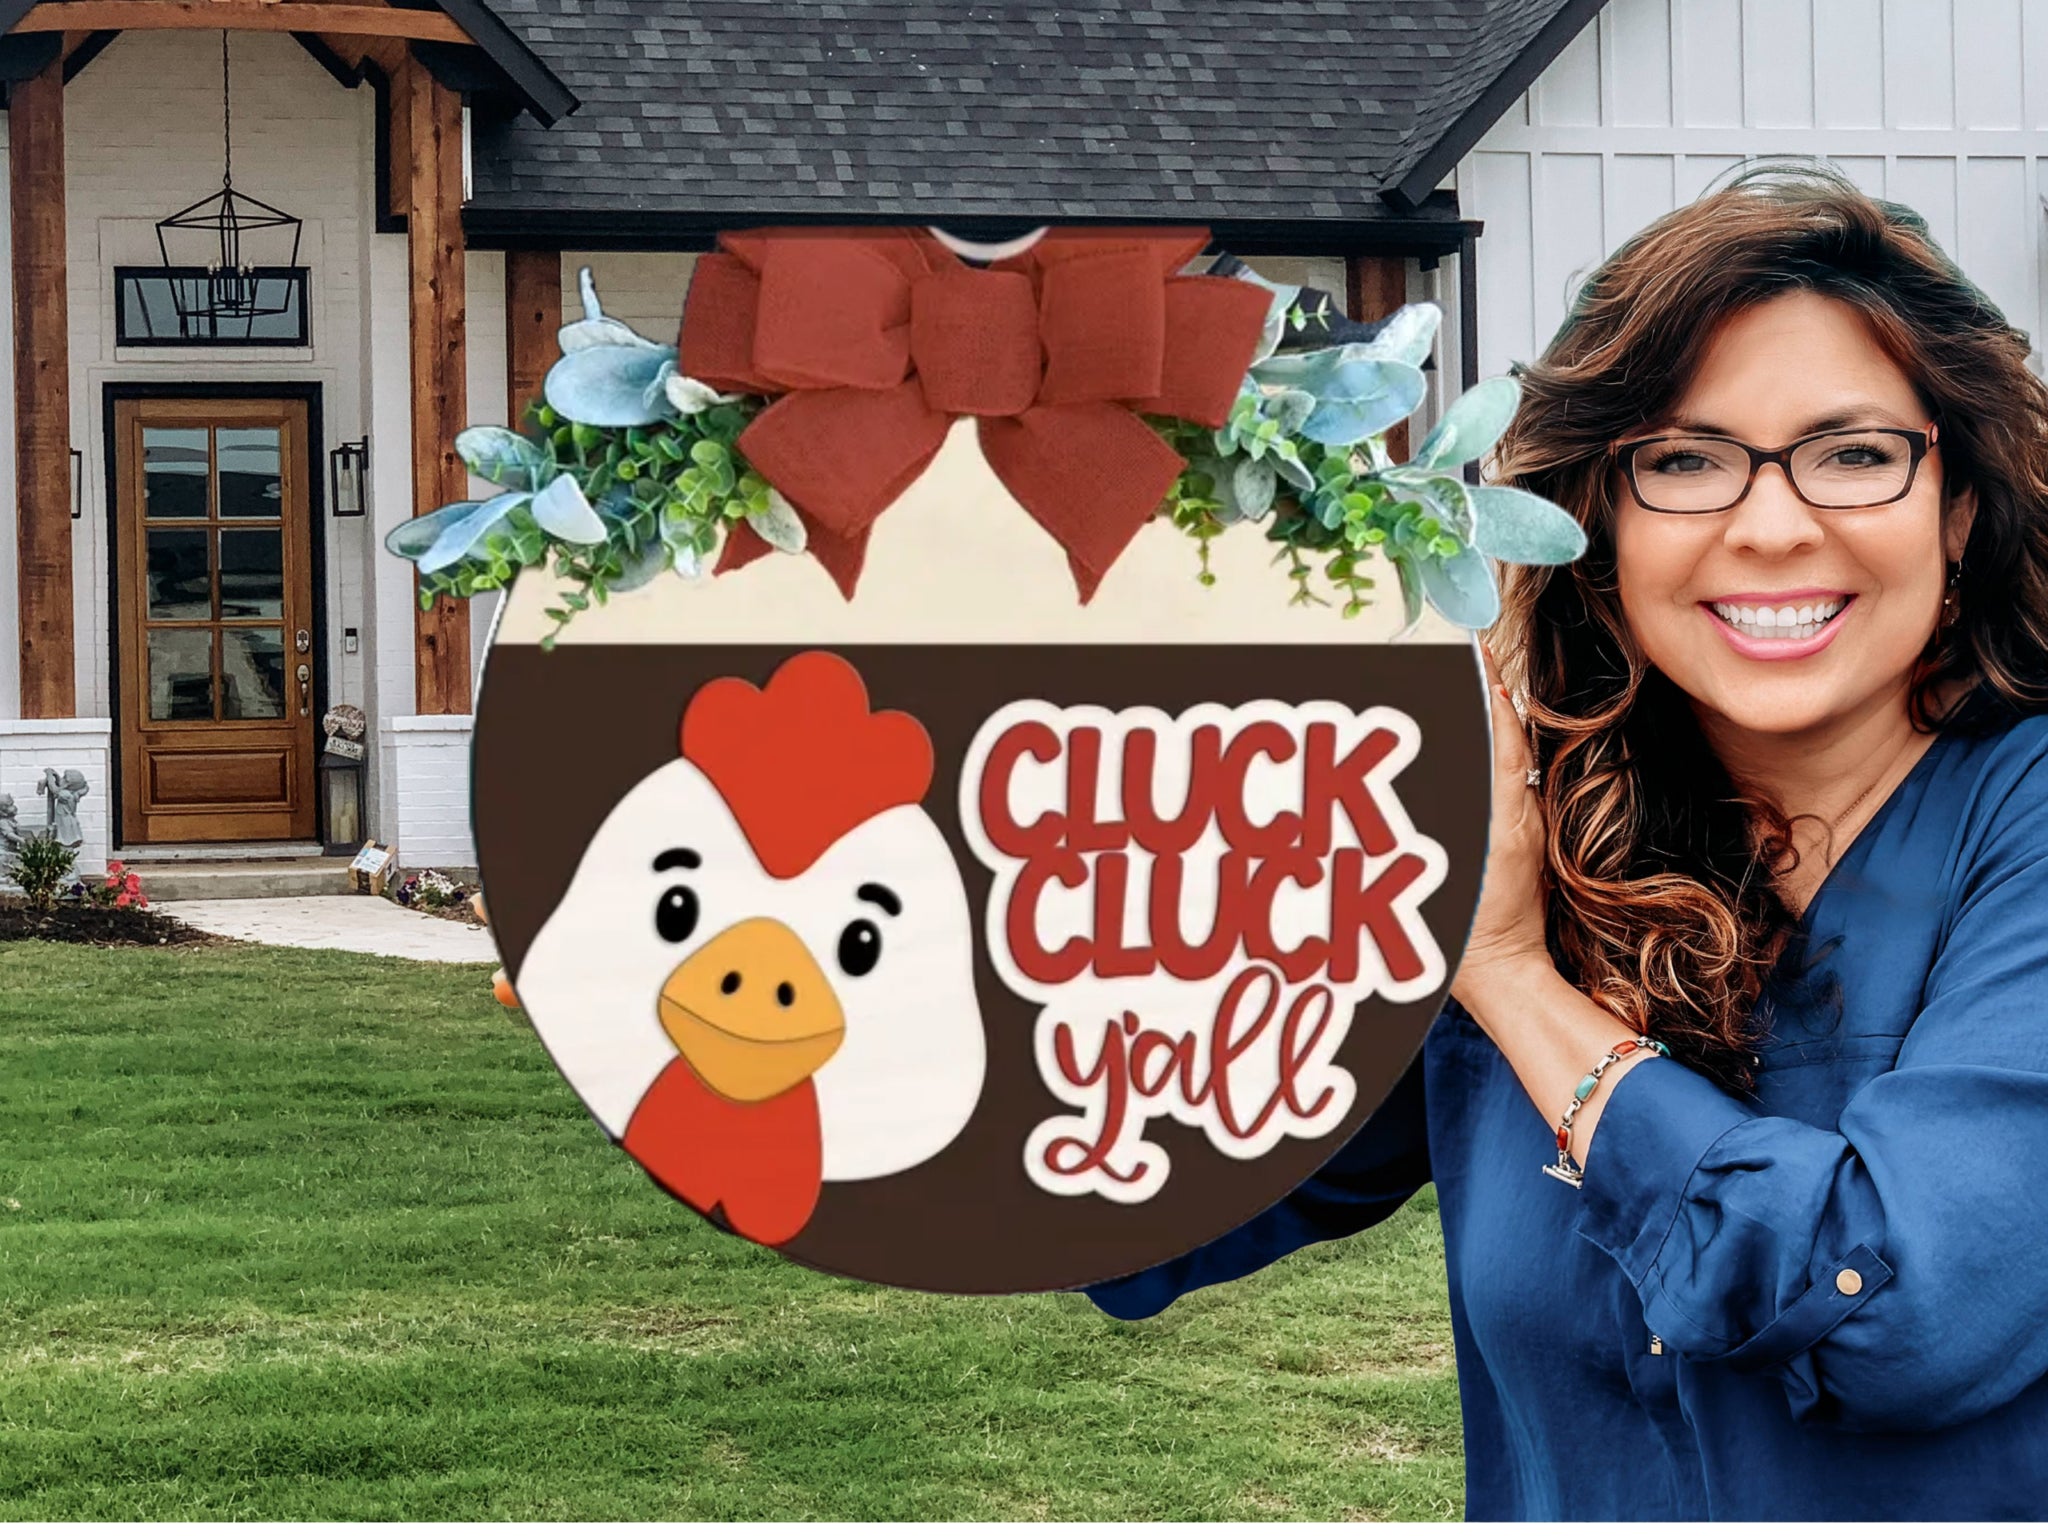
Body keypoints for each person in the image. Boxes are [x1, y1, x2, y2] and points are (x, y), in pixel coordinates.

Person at [1087, 162, 2048, 1520]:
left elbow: (1897, 1311)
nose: (1772, 527)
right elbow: (1148, 1186)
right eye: (1685, 460)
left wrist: (1511, 979)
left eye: (1853, 453)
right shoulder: (1535, 823)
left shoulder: (2020, 825)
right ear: (1597, 524)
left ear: (1956, 510)